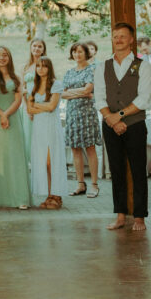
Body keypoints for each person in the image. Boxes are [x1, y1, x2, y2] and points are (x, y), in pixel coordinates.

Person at [94, 23, 151, 232]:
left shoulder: (142, 66)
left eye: (122, 36)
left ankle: (139, 217)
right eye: (115, 36)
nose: (118, 39)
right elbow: (99, 96)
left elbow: (145, 98)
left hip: (135, 125)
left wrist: (118, 116)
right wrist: (110, 119)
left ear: (130, 40)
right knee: (116, 171)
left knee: (138, 171)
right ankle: (120, 215)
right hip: (110, 125)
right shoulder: (103, 66)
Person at [0, 47, 30, 209]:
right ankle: (0, 197)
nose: (1, 58)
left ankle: (20, 197)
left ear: (9, 57)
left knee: (15, 155)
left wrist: (7, 115)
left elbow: (18, 100)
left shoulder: (16, 77)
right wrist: (1, 115)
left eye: (4, 55)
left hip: (13, 118)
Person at [27, 58, 68, 209]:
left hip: (51, 126)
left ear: (49, 68)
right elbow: (29, 110)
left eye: (44, 66)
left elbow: (52, 106)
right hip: (39, 127)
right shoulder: (33, 85)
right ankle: (49, 194)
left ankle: (57, 195)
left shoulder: (56, 84)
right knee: (43, 162)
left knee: (52, 161)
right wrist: (41, 106)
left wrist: (37, 105)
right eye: (38, 66)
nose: (40, 69)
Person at [62, 42, 100, 199]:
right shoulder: (69, 72)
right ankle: (80, 184)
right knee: (75, 148)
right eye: (74, 52)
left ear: (86, 53)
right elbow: (62, 94)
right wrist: (81, 92)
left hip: (87, 113)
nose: (77, 55)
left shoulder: (91, 69)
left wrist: (76, 92)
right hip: (72, 114)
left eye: (80, 52)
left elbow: (88, 89)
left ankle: (94, 185)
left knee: (90, 148)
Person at [21, 37, 47, 156]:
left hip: (40, 105)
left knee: (41, 136)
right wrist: (27, 108)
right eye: (34, 46)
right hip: (27, 107)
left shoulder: (46, 64)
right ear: (30, 48)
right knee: (29, 136)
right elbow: (22, 89)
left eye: (39, 46)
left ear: (43, 50)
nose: (36, 48)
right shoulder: (26, 66)